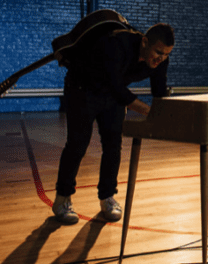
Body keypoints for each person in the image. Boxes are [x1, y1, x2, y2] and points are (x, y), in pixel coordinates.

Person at [52, 23, 174, 224]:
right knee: (77, 144)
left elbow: (159, 93)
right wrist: (149, 112)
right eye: (158, 52)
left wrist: (167, 114)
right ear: (144, 42)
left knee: (113, 146)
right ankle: (62, 199)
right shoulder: (117, 44)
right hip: (82, 88)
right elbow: (117, 88)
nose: (160, 59)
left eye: (166, 54)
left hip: (112, 95)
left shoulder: (161, 61)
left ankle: (107, 197)